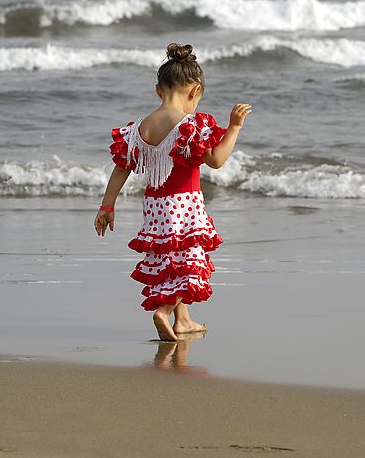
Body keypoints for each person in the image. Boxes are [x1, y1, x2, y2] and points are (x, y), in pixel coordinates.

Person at [94, 43, 252, 341]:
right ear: (195, 93)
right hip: (185, 205)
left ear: (158, 90)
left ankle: (184, 320)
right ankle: (164, 311)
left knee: (171, 260)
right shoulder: (191, 125)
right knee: (190, 262)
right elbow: (216, 161)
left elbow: (121, 168)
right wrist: (234, 128)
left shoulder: (139, 129)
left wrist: (107, 206)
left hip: (155, 206)